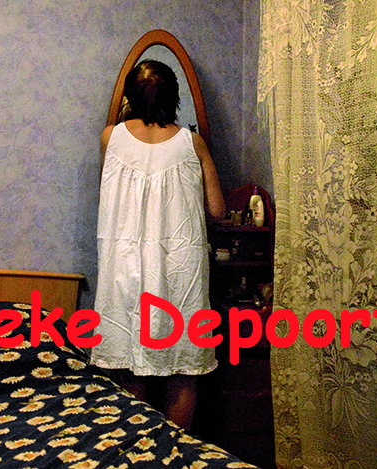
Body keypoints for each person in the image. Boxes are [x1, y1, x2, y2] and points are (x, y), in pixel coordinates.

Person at [91, 60, 225, 429]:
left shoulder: (110, 138)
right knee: (182, 370)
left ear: (130, 98)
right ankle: (176, 451)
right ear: (174, 98)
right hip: (178, 270)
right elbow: (217, 210)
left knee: (130, 367)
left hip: (126, 267)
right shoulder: (191, 143)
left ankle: (141, 449)